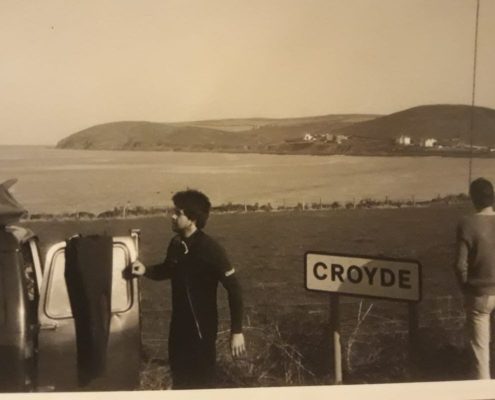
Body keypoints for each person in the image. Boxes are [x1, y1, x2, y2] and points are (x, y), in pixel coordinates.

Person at [132, 189, 245, 389]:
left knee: (200, 386)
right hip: (177, 330)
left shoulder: (211, 249)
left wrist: (237, 331)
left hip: (201, 333)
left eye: (178, 212)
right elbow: (168, 269)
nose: (172, 216)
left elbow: (235, 289)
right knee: (179, 383)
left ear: (192, 218)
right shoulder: (176, 244)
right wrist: (146, 270)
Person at [454, 177, 495, 379]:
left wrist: (465, 289)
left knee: (481, 353)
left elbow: (460, 265)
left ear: (473, 198)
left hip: (480, 295)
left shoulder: (467, 223)